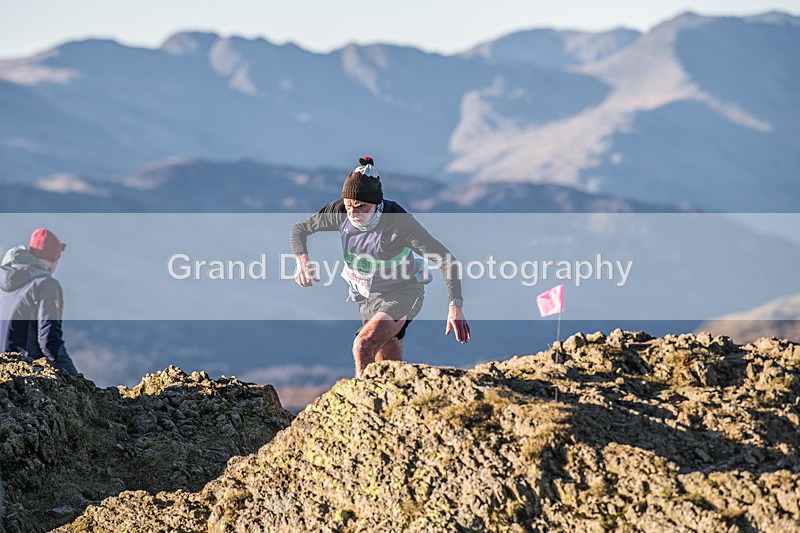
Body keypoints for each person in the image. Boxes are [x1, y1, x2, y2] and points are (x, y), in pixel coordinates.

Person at [290, 156, 471, 377]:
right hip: (367, 297)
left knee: (363, 345)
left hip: (403, 293)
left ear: (377, 203)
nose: (353, 213)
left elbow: (446, 259)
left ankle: (360, 406)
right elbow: (300, 229)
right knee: (387, 367)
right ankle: (398, 405)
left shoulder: (398, 223)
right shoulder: (340, 211)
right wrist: (303, 260)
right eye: (349, 206)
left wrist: (455, 307)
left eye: (361, 207)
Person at [0, 228, 78, 376]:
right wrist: (76, 380)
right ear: (55, 258)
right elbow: (49, 341)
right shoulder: (46, 285)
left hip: (3, 374)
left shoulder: (3, 282)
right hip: (27, 373)